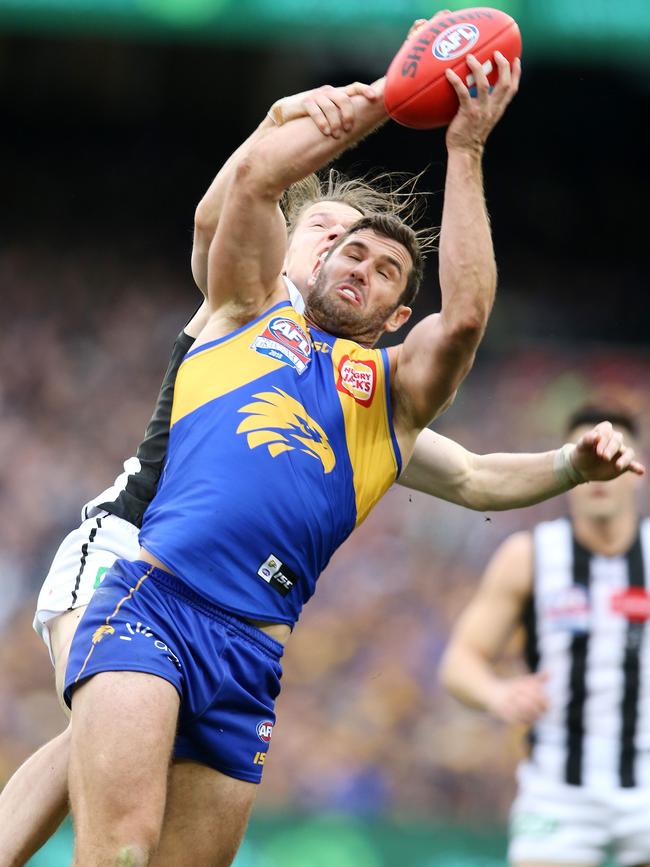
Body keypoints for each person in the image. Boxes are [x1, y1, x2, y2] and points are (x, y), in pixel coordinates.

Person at [0, 59, 639, 867]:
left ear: (400, 314)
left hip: (250, 652)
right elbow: (241, 197)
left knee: (131, 802)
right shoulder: (247, 307)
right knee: (118, 840)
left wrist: (466, 149)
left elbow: (472, 413)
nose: (354, 263)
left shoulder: (386, 402)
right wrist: (370, 103)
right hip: (143, 578)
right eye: (344, 245)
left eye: (383, 269)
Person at [440, 407, 650, 867]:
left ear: (637, 471)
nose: (598, 470)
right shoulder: (530, 556)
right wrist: (497, 692)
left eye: (610, 454)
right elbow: (460, 661)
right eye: (585, 455)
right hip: (558, 789)